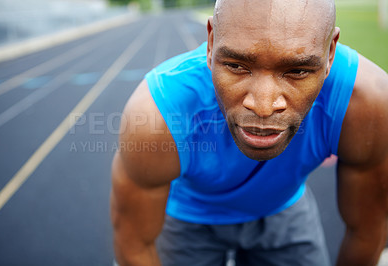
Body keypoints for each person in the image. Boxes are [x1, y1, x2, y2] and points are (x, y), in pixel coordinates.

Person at [110, 0, 388, 265]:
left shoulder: (365, 103)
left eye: (297, 71)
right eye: (236, 66)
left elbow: (367, 231)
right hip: (189, 215)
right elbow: (134, 247)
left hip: (283, 205)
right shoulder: (157, 115)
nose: (264, 107)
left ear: (330, 54)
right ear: (211, 44)